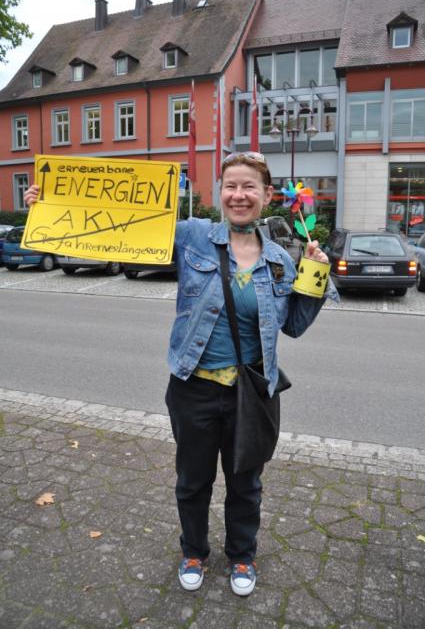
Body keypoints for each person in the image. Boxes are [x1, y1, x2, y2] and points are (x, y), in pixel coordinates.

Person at [24, 151, 336, 597]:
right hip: (194, 389)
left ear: (267, 195)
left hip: (252, 393)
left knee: (246, 484)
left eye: (249, 186)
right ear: (221, 192)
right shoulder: (193, 237)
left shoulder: (281, 260)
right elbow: (120, 230)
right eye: (231, 185)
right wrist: (49, 208)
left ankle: (242, 556)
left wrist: (317, 271)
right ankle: (194, 552)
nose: (239, 195)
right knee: (193, 481)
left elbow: (296, 326)